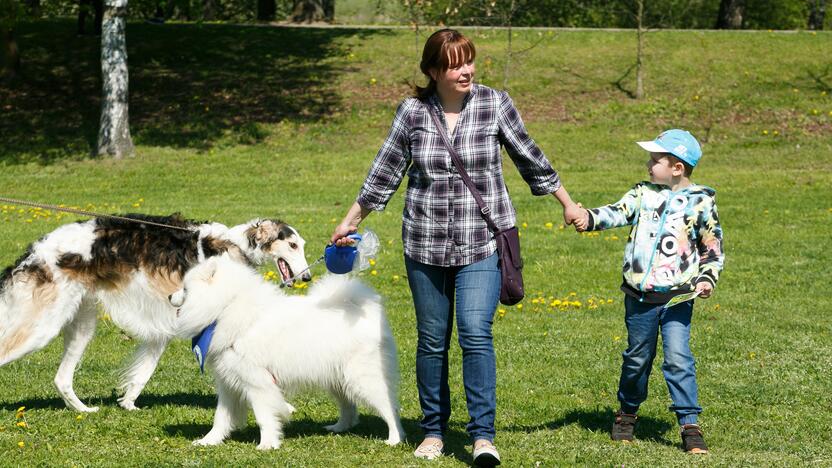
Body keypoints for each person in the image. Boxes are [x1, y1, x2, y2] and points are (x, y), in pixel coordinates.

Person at [330, 29, 583, 465]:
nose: (466, 70)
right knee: (431, 341)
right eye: (454, 64)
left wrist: (567, 203)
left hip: (480, 242)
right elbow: (385, 170)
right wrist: (350, 221)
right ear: (433, 70)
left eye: (469, 61)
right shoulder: (412, 112)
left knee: (474, 333)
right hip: (424, 244)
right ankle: (433, 430)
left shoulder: (493, 103)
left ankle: (483, 436)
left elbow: (530, 156)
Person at [572, 129, 724, 454]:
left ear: (677, 167)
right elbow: (617, 212)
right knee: (637, 359)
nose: (648, 164)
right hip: (639, 297)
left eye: (655, 160)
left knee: (679, 359)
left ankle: (689, 424)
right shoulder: (642, 193)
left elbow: (712, 245)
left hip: (679, 296)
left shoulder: (701, 202)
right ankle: (627, 412)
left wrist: (707, 278)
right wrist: (588, 217)